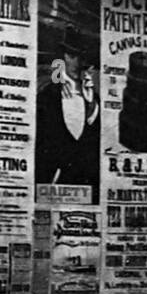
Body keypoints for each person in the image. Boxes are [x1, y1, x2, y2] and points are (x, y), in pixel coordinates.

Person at [35, 26, 101, 195]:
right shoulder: (49, 95)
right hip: (53, 184)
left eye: (80, 57)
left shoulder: (92, 96)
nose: (76, 63)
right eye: (71, 56)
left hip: (85, 185)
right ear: (63, 58)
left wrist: (92, 105)